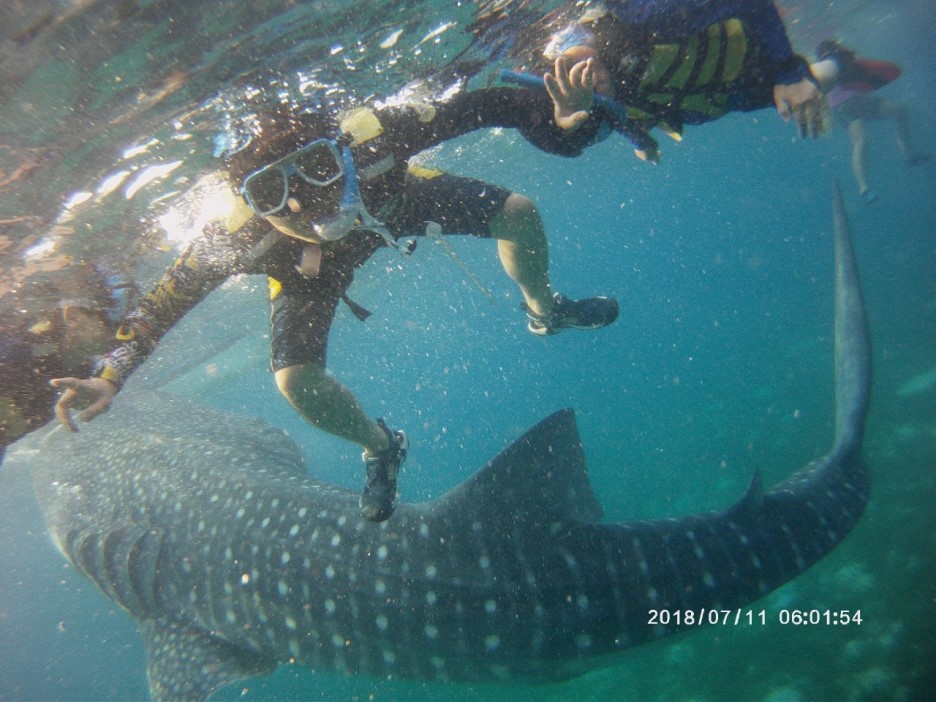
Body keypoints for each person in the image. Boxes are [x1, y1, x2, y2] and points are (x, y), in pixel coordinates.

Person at [51, 91, 619, 522]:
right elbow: (158, 306)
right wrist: (111, 375)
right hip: (306, 274)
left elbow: (489, 105)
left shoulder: (377, 136)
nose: (302, 201)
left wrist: (557, 122)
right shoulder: (234, 235)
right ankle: (381, 448)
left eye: (318, 166)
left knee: (517, 211)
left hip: (394, 202)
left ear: (343, 149)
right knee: (294, 381)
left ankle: (545, 311)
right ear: (248, 203)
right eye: (271, 192)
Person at [502, 0, 826, 163]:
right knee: (812, 92)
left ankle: (833, 61)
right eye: (594, 101)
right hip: (718, 96)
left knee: (809, 87)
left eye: (570, 68)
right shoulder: (601, 110)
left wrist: (789, 72)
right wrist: (641, 143)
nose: (588, 79)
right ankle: (833, 65)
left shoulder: (648, 18)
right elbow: (617, 118)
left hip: (751, 54)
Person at [0, 263, 134, 461]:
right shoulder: (13, 345)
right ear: (74, 316)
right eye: (114, 321)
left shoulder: (82, 376)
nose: (125, 334)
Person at [810, 39, 930, 204]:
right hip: (843, 107)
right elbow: (821, 88)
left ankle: (909, 155)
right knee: (861, 140)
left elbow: (863, 72)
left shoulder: (843, 60)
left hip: (861, 101)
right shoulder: (826, 68)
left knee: (900, 110)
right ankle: (864, 188)